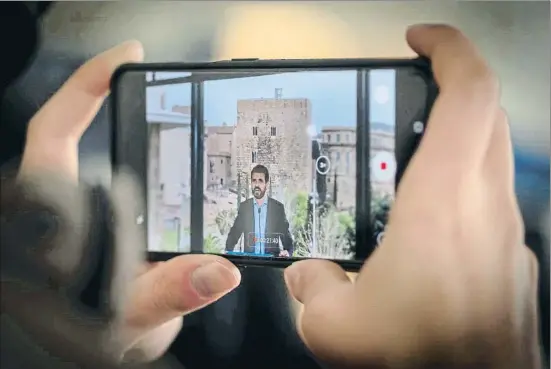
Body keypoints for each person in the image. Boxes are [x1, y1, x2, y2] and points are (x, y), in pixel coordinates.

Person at [5, 24, 543, 368]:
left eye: (262, 182)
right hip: (225, 317)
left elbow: (280, 239)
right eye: (256, 181)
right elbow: (242, 253)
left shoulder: (282, 206)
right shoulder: (240, 210)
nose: (259, 187)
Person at [225, 164, 294, 257]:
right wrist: (227, 253)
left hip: (271, 265)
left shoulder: (277, 209)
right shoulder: (245, 207)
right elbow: (233, 235)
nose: (257, 185)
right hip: (250, 264)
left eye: (260, 181)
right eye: (254, 181)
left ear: (266, 184)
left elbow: (287, 240)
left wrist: (288, 252)